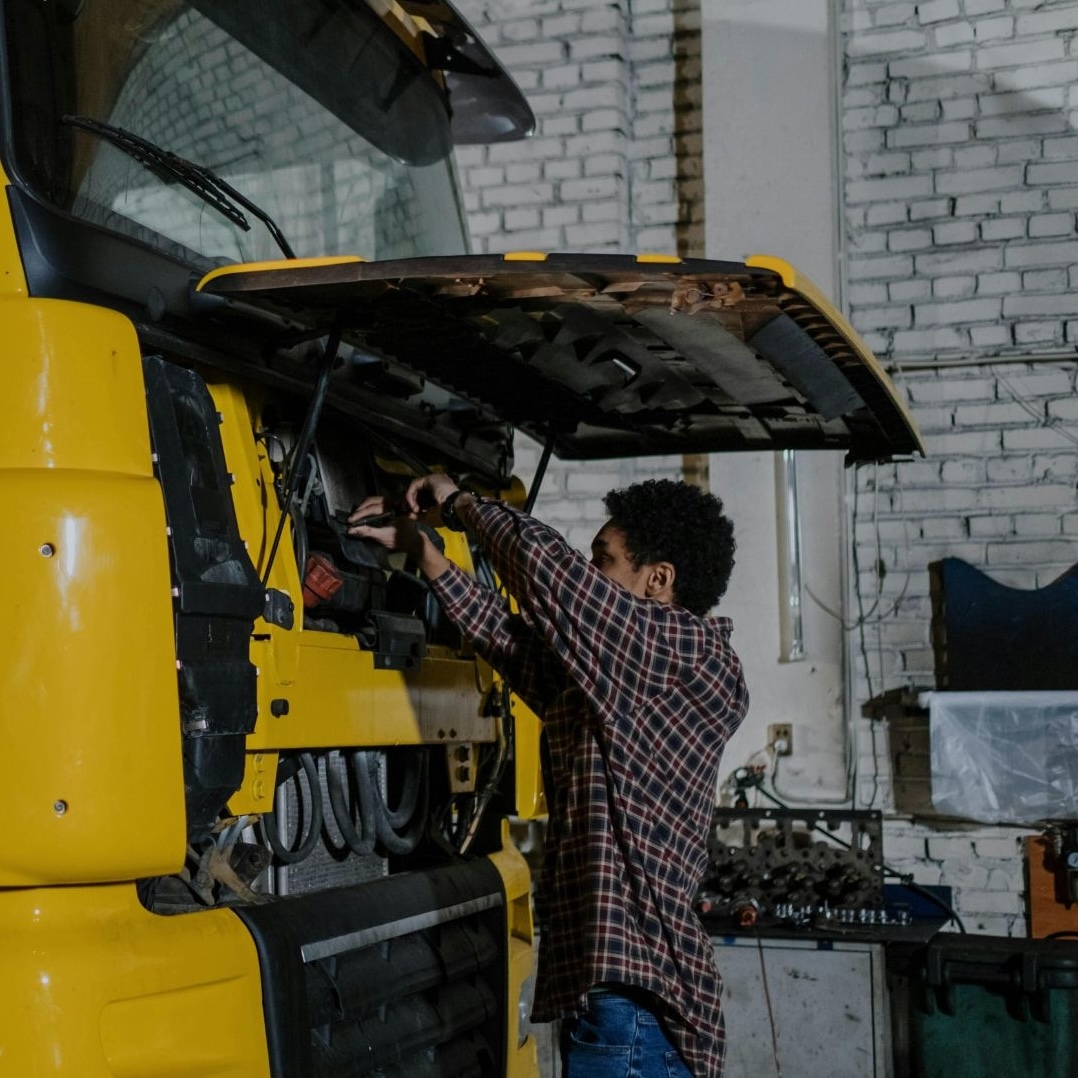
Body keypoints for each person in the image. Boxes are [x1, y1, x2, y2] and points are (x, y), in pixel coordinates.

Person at [349, 475, 749, 1078]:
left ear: (658, 579)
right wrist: (426, 553)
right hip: (611, 1006)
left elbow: (553, 578)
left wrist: (461, 503)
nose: (590, 573)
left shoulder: (688, 654)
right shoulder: (624, 682)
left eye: (604, 561)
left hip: (638, 1009)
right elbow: (518, 647)